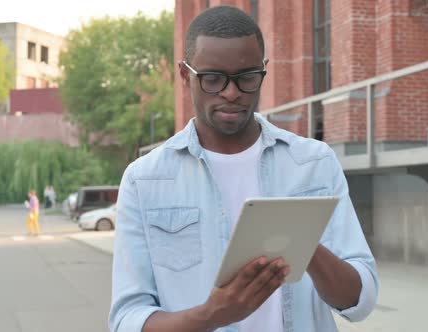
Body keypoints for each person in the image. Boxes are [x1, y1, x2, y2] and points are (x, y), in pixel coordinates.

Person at [109, 6, 378, 332]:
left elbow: (360, 300)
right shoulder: (145, 180)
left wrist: (303, 244)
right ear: (185, 75)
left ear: (263, 71)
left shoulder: (313, 163)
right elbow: (127, 320)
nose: (231, 92)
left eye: (247, 77)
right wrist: (213, 314)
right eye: (213, 79)